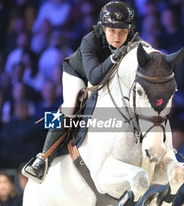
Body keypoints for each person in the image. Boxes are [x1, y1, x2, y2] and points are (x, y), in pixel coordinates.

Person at [24, 1, 140, 183]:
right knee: (69, 108)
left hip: (109, 77)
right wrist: (115, 57)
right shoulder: (90, 40)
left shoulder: (134, 41)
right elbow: (93, 78)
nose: (118, 36)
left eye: (123, 31)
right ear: (103, 28)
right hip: (79, 74)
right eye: (112, 31)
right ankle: (43, 158)